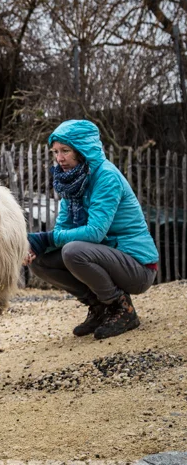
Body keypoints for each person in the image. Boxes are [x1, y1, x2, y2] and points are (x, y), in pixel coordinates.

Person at [25, 120, 159, 340]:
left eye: (65, 151)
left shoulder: (106, 177)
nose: (59, 159)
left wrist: (45, 238)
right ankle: (99, 308)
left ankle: (121, 309)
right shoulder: (72, 181)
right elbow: (63, 228)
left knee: (73, 251)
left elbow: (95, 232)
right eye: (55, 152)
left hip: (137, 266)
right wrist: (40, 246)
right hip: (105, 256)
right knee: (40, 260)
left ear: (82, 150)